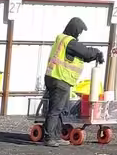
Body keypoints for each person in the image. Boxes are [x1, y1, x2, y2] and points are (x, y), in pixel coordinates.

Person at [41, 18, 104, 147]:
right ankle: (49, 137)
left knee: (59, 109)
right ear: (74, 30)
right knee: (55, 109)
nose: (79, 34)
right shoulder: (69, 41)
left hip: (54, 77)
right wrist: (97, 53)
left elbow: (84, 56)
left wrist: (93, 56)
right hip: (60, 79)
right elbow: (85, 52)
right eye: (79, 31)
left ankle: (55, 136)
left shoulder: (62, 40)